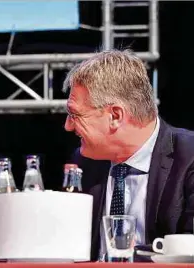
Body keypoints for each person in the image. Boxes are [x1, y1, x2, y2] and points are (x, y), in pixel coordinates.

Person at [63, 49, 194, 261]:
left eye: (74, 115)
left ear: (115, 115)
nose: (68, 126)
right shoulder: (83, 162)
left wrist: (133, 258)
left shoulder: (189, 157)